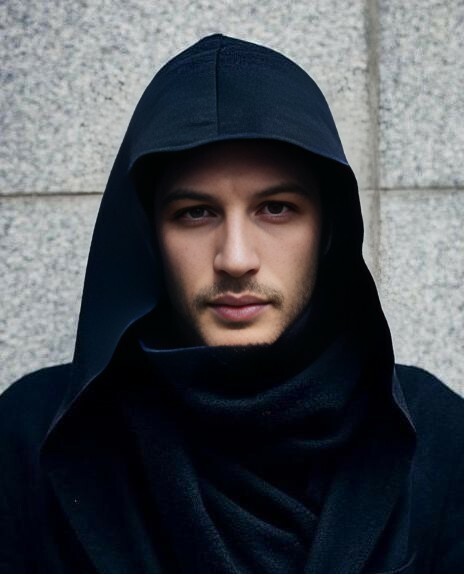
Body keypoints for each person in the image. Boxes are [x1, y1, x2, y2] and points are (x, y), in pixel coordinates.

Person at [0, 33, 463, 574]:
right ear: (147, 237)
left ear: (327, 230)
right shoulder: (33, 437)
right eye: (195, 213)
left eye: (276, 208)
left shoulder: (436, 437)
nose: (236, 258)